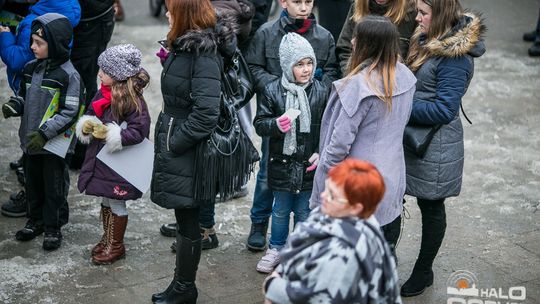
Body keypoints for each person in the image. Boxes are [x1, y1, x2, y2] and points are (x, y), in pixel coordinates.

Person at [309, 15, 416, 260]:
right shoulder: (407, 78)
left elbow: (338, 146)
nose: (353, 41)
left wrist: (323, 187)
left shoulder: (358, 87)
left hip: (358, 184)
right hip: (392, 176)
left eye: (358, 37)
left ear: (368, 45)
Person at [150, 0, 234, 302]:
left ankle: (185, 288)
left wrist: (175, 142)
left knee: (188, 221)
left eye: (171, 8)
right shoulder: (186, 46)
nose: (167, 13)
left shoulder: (203, 54)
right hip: (180, 140)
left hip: (189, 148)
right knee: (185, 219)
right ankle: (181, 285)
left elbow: (206, 114)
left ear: (185, 14)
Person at [401, 0, 486, 296]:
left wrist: (401, 107)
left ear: (441, 15)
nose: (417, 17)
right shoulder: (426, 38)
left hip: (435, 144)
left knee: (431, 205)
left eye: (423, 13)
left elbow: (444, 110)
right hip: (413, 136)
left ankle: (424, 270)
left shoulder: (456, 58)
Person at [245, 0, 338, 252]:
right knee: (267, 171)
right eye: (297, 1)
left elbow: (331, 70)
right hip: (278, 117)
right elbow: (253, 67)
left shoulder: (324, 36)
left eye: (308, 1)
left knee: (306, 169)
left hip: (311, 118)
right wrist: (279, 90)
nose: (304, 7)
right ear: (283, 2)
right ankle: (259, 222)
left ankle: (300, 234)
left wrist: (316, 90)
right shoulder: (267, 33)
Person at [263, 159, 401, 303]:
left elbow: (316, 298)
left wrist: (272, 286)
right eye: (327, 189)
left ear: (356, 208)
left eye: (332, 195)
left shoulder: (343, 254)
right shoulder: (352, 220)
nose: (323, 196)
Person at [1, 13, 84, 251]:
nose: (32, 47)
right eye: (32, 41)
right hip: (31, 142)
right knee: (33, 183)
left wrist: (44, 134)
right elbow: (24, 96)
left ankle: (53, 227)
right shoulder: (30, 69)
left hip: (53, 145)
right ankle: (35, 220)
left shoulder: (69, 76)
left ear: (56, 45)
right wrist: (15, 105)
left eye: (39, 43)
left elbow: (70, 111)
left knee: (54, 186)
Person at [253, 33, 328, 273]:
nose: (306, 70)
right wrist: (276, 125)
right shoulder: (272, 90)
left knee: (305, 211)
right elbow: (260, 122)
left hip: (308, 164)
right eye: (299, 64)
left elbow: (329, 126)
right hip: (282, 164)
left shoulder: (321, 91)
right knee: (281, 210)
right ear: (287, 66)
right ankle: (276, 247)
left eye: (309, 63)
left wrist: (320, 151)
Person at [75, 44, 150, 265]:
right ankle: (108, 238)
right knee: (106, 200)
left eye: (105, 71)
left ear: (118, 76)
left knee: (117, 202)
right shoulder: (103, 92)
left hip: (118, 163)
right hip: (103, 159)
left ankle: (116, 245)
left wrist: (111, 134)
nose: (99, 74)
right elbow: (91, 111)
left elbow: (138, 131)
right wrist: (88, 124)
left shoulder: (132, 101)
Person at [336, 0, 416, 74]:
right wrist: (353, 77)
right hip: (359, 79)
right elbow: (344, 49)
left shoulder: (412, 12)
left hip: (395, 81)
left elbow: (416, 58)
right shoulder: (358, 8)